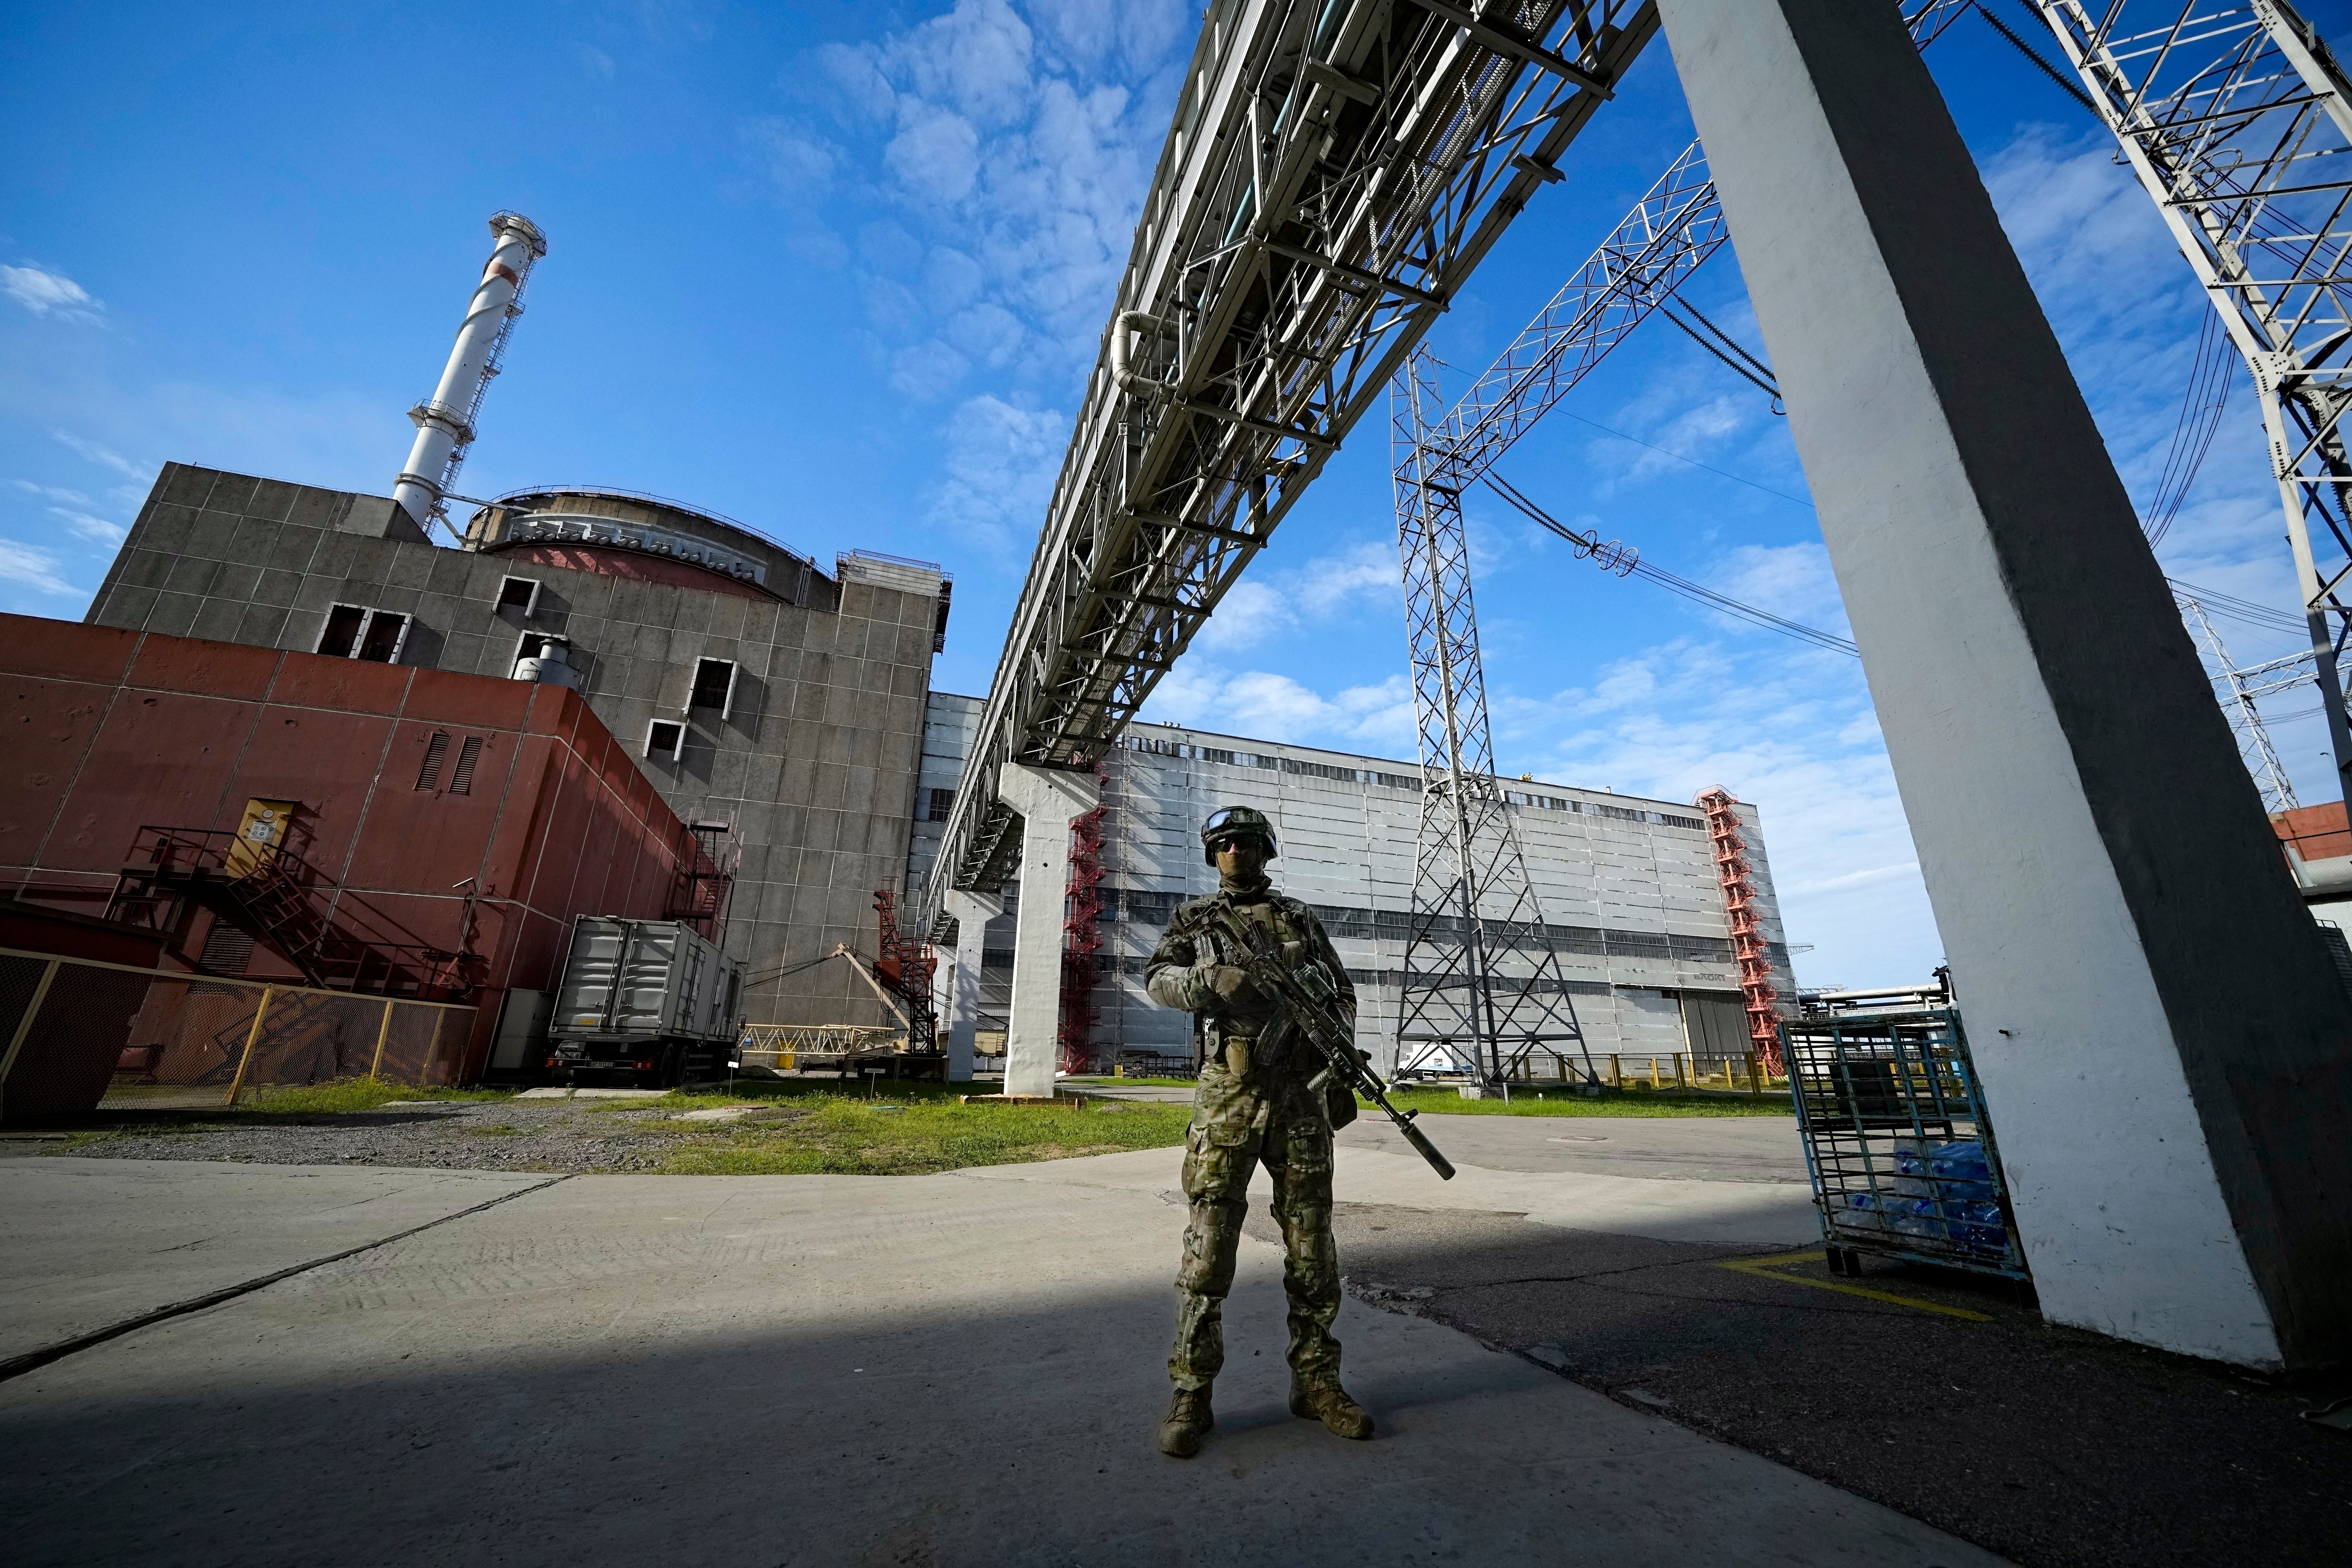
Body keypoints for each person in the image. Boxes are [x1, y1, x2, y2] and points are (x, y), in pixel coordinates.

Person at [1143, 805, 1372, 1458]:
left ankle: (1318, 1383)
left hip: (1300, 1099)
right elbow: (1156, 980)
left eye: (1245, 842)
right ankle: (1192, 1393)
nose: (1235, 852)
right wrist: (1205, 980)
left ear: (1266, 851)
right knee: (1209, 1250)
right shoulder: (1195, 920)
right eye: (1223, 845)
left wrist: (1340, 1054)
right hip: (1229, 1099)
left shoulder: (1299, 918)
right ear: (1212, 855)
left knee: (1312, 1250)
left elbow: (1341, 994)